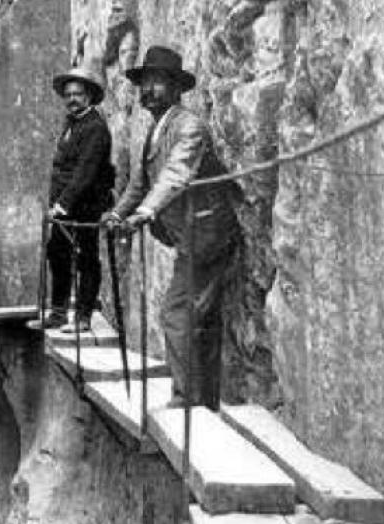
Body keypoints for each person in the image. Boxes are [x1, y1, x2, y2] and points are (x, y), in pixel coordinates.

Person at [102, 45, 242, 410]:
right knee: (200, 316)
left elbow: (175, 174)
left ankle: (187, 401)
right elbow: (140, 182)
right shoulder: (155, 128)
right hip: (189, 236)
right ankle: (203, 398)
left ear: (176, 88)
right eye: (144, 83)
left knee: (176, 312)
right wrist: (119, 214)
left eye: (157, 83)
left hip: (207, 234)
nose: (148, 91)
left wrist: (147, 212)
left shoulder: (189, 127)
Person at [44, 65, 116, 331]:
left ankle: (83, 317)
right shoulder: (71, 124)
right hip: (65, 207)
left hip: (86, 206)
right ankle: (59, 312)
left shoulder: (95, 128)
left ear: (89, 97)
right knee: (57, 253)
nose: (72, 99)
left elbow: (85, 172)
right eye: (68, 94)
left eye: (78, 94)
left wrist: (62, 205)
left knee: (86, 258)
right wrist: (56, 203)